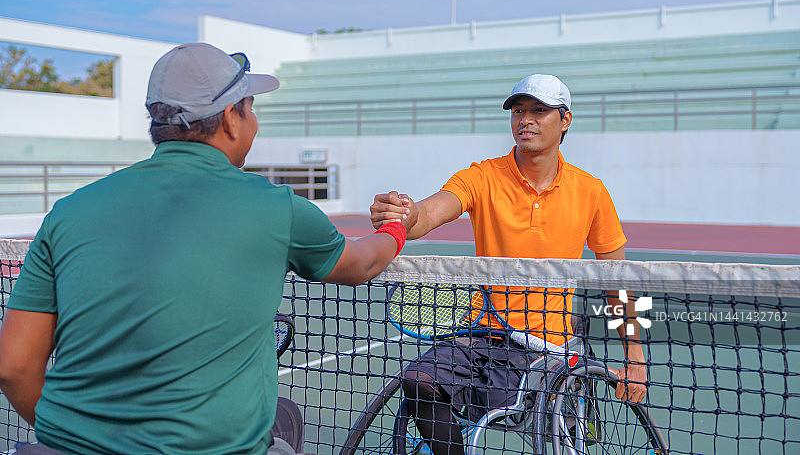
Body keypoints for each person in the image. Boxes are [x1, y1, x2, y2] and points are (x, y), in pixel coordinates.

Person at [0, 43, 415, 455]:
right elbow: (363, 262)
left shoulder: (69, 211)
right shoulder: (276, 207)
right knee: (284, 424)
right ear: (232, 120)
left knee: (282, 415)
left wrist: (84, 438)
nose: (255, 119)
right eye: (251, 107)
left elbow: (14, 367)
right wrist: (396, 228)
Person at [370, 74, 647, 455]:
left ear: (565, 120)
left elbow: (617, 281)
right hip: (482, 335)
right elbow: (428, 213)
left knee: (501, 398)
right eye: (519, 111)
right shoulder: (482, 177)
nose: (526, 120)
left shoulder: (591, 191)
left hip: (548, 347)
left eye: (539, 111)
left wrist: (634, 355)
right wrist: (405, 214)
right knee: (418, 379)